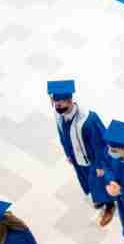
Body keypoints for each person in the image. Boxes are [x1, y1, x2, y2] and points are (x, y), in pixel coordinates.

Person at [47, 80, 115, 227]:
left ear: (70, 101)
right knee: (86, 179)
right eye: (55, 105)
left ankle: (109, 205)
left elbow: (101, 145)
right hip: (77, 157)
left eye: (60, 105)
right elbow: (62, 136)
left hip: (93, 160)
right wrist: (68, 154)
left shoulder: (88, 120)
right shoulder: (60, 116)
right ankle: (97, 197)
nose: (57, 108)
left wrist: (100, 165)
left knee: (101, 180)